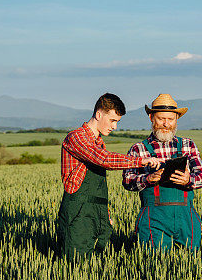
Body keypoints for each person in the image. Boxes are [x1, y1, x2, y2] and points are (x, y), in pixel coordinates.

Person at [58, 93, 161, 260]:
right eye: (113, 120)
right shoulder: (76, 137)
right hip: (78, 214)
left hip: (97, 213)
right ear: (99, 115)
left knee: (99, 263)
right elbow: (104, 159)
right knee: (75, 264)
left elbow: (97, 186)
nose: (115, 127)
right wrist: (142, 161)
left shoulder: (98, 142)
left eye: (117, 122)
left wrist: (104, 215)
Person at [123, 93, 202, 251]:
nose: (166, 124)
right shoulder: (139, 149)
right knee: (155, 266)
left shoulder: (188, 145)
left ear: (176, 119)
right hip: (154, 220)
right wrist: (148, 178)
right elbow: (128, 181)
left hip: (186, 219)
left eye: (170, 119)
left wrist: (188, 180)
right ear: (151, 118)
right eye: (161, 119)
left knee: (191, 266)